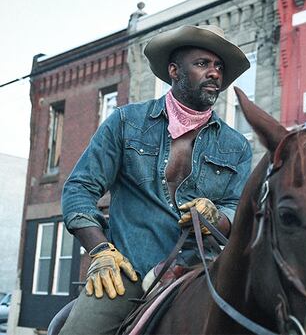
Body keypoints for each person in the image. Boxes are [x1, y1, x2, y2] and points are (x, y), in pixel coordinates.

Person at [58, 25, 252, 335]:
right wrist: (100, 251)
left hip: (202, 275)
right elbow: (79, 189)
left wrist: (219, 217)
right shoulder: (125, 122)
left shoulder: (237, 146)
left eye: (219, 67)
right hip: (128, 272)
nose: (214, 73)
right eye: (203, 64)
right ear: (174, 70)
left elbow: (237, 210)